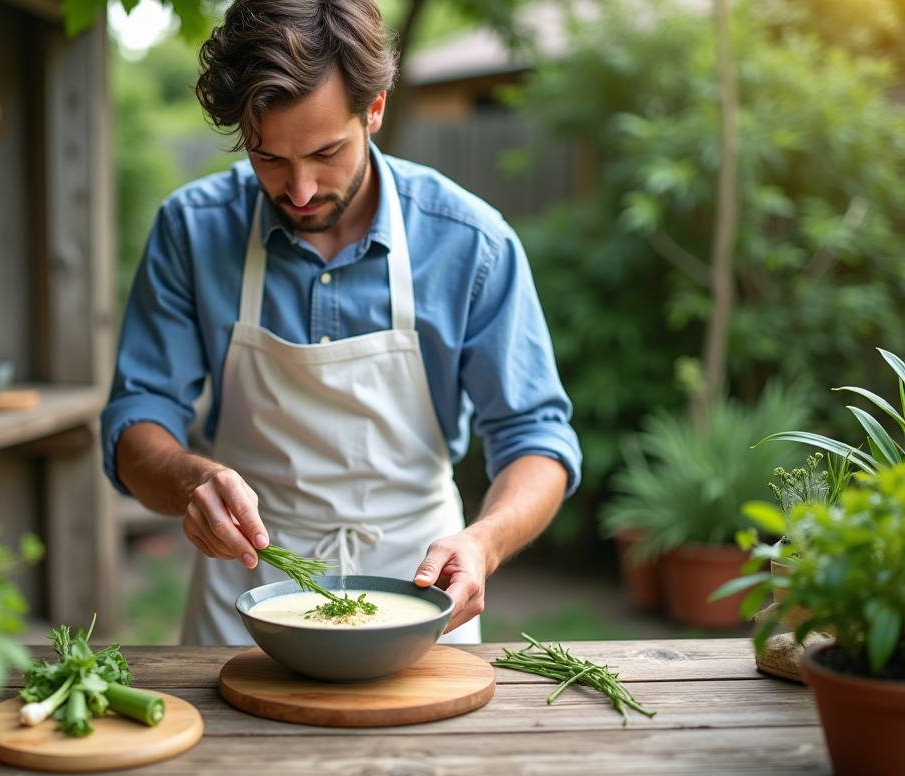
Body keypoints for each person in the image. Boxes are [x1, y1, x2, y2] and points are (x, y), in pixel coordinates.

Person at [101, 0, 582, 646]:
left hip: (422, 603)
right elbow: (136, 420)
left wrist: (484, 542)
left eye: (326, 153)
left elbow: (537, 439)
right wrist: (195, 480)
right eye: (268, 158)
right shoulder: (192, 232)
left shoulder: (471, 243)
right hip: (243, 604)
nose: (298, 191)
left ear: (375, 108)